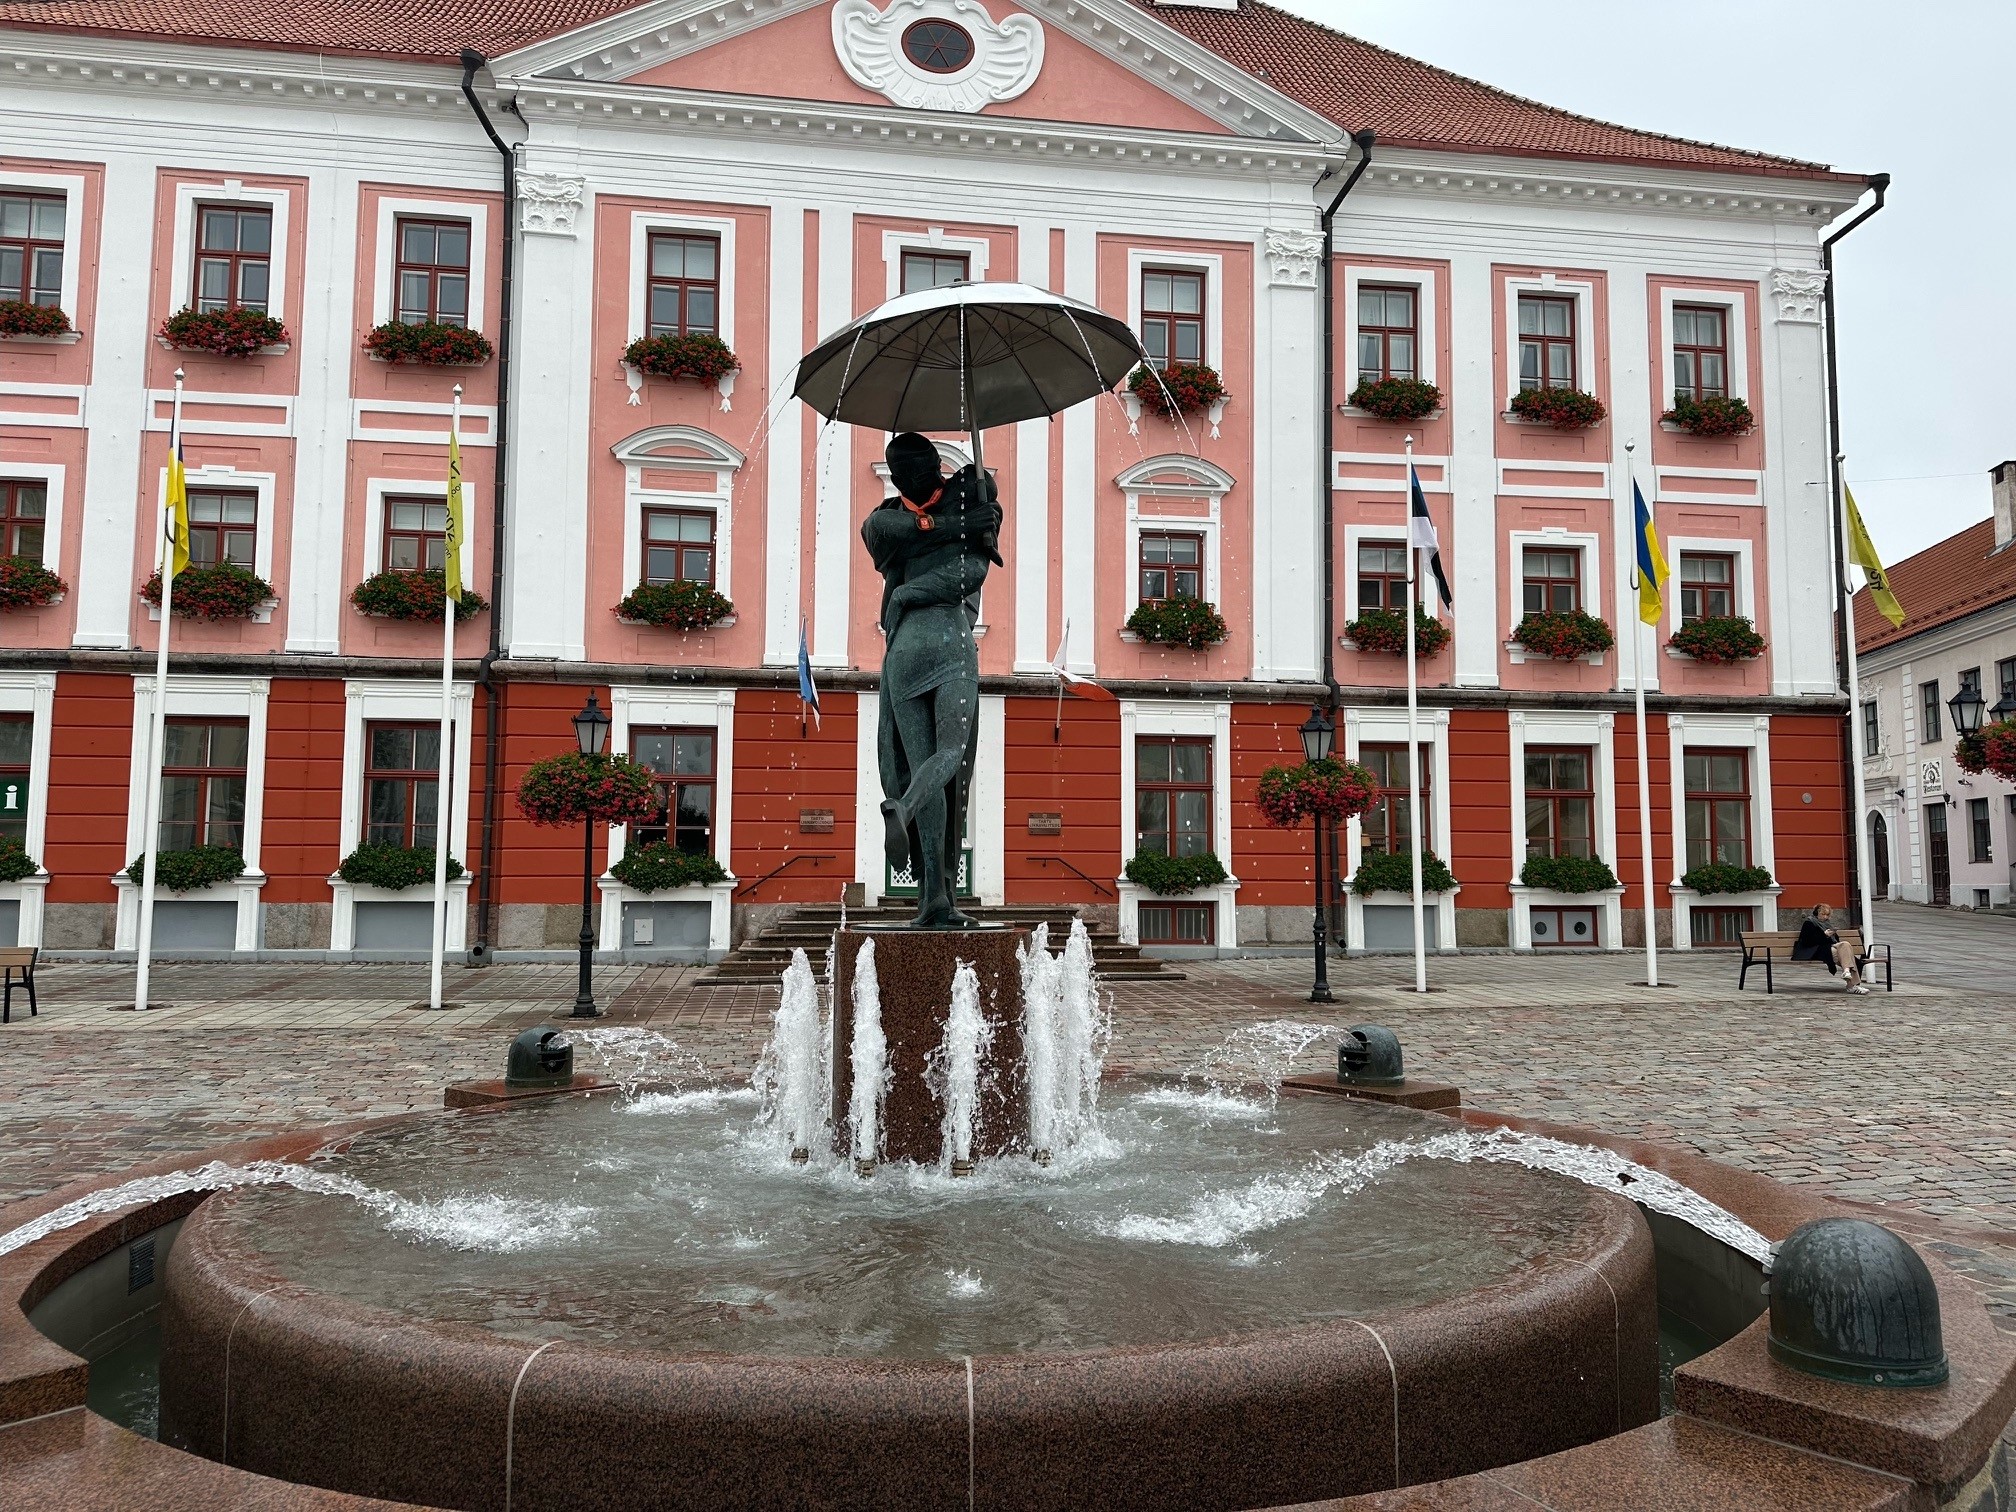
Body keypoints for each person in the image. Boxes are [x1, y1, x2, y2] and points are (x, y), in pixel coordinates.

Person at [859, 432, 1004, 928]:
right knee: (949, 758)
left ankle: (934, 899)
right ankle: (903, 809)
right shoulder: (892, 520)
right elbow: (970, 575)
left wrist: (902, 596)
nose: (919, 481)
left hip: (903, 648)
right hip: (947, 638)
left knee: (925, 763)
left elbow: (954, 562)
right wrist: (965, 524)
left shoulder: (890, 519)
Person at [1791, 903, 1867, 993]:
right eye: (1823, 914)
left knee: (1845, 944)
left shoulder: (1827, 924)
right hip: (1816, 950)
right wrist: (1824, 935)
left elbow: (1836, 940)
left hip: (1830, 948)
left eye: (1827, 915)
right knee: (1847, 955)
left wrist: (1831, 934)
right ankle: (1851, 986)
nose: (1825, 917)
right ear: (1817, 913)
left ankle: (1847, 972)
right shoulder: (1809, 923)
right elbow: (1808, 941)